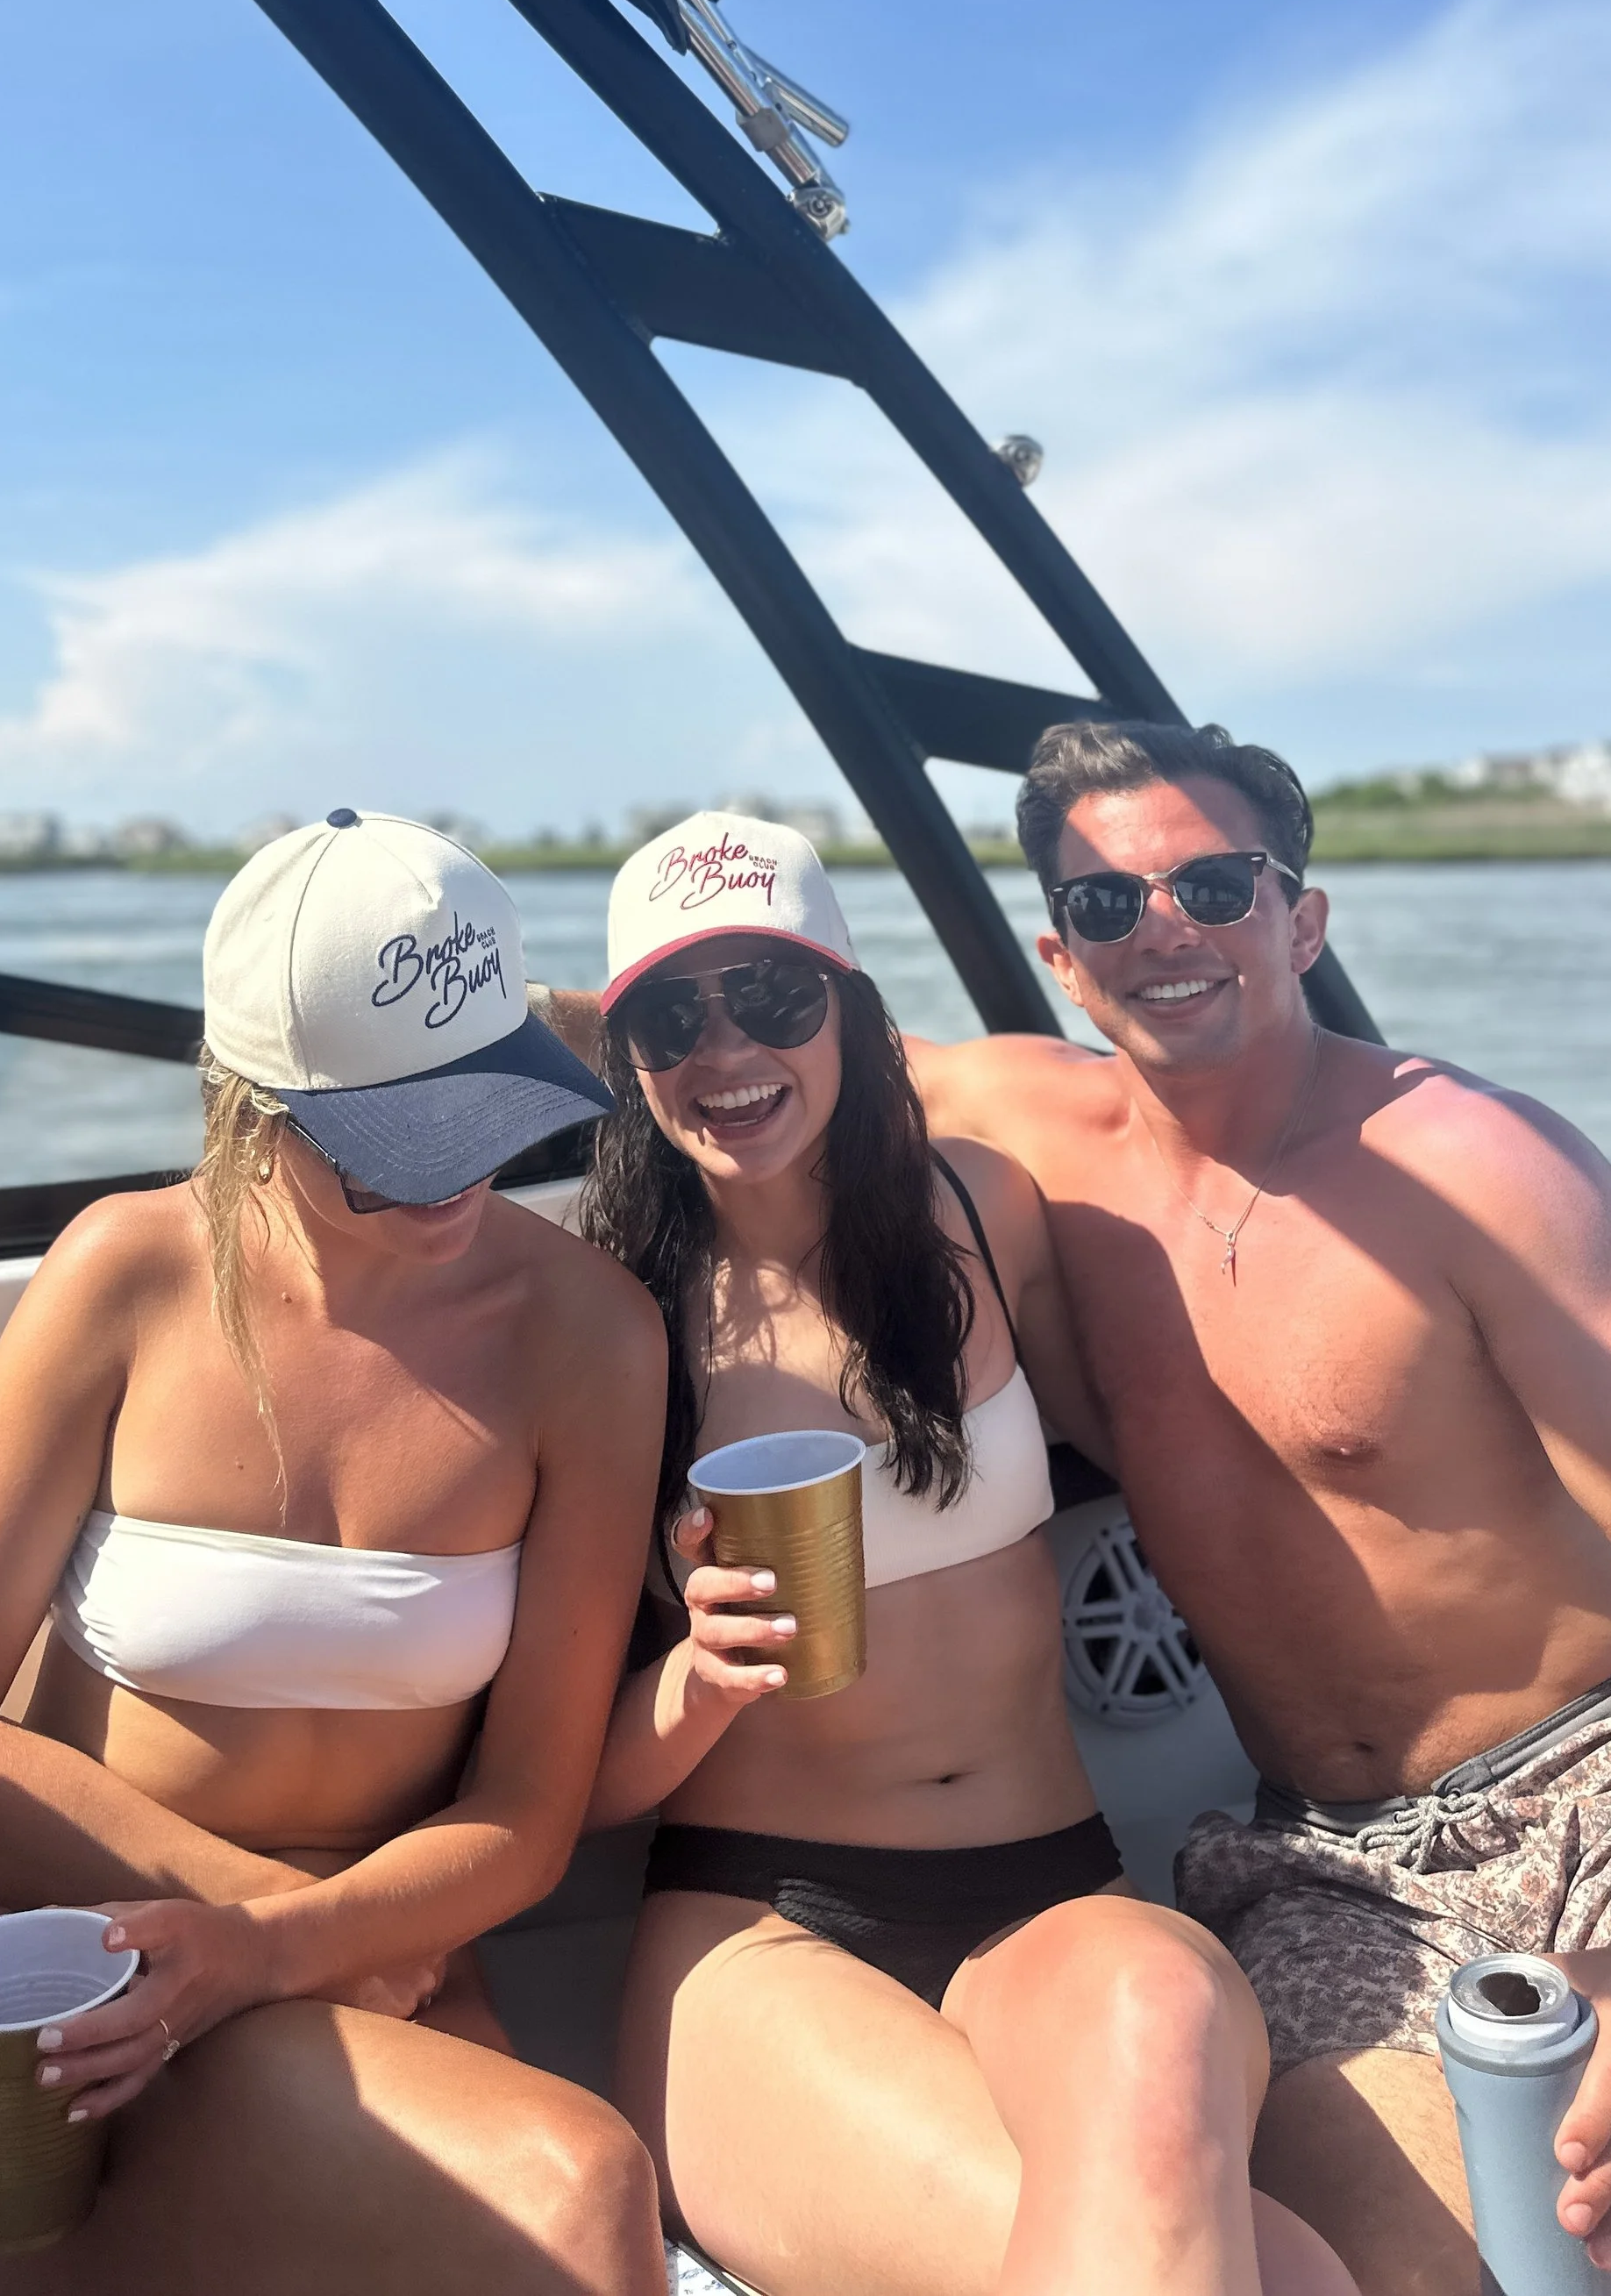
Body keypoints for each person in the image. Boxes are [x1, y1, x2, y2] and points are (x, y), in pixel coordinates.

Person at [905, 720, 1611, 2294]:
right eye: (1106, 908)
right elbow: (757, 1042)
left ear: (1301, 918)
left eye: (1213, 886)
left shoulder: (1480, 1169)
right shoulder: (1033, 1135)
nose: (1163, 930)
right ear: (1061, 961)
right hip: (1330, 1864)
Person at [0, 810, 669, 2296]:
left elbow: (530, 1812)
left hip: (367, 1959)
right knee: (579, 2195)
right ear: (245, 1103)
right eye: (388, 1147)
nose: (451, 1186)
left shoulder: (591, 1335)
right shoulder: (127, 1273)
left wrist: (286, 1950)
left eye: (487, 1119)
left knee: (578, 2198)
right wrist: (269, 1927)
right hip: (60, 1970)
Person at [573, 810, 1358, 2296]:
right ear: (630, 1058)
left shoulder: (987, 1212)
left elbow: (1174, 1444)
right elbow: (555, 1794)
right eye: (673, 1017)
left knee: (1169, 2023)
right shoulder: (607, 1316)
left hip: (1053, 1894)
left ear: (855, 1016)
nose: (726, 1052)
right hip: (762, 1924)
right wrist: (700, 1680)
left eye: (775, 998)